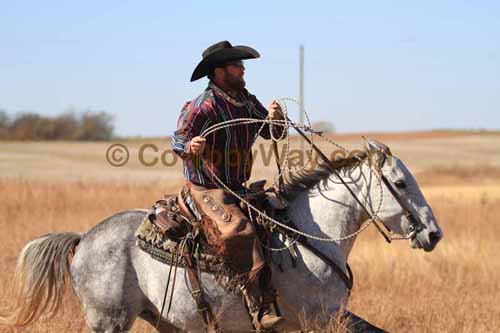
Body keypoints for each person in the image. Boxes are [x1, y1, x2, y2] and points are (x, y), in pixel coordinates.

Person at [172, 41, 285, 329]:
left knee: (280, 213)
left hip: (239, 185)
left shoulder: (247, 101)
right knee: (239, 229)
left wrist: (276, 118)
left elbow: (273, 133)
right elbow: (178, 140)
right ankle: (259, 304)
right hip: (207, 188)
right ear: (219, 71)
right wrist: (191, 145)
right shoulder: (202, 106)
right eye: (237, 64)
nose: (243, 69)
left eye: (241, 64)